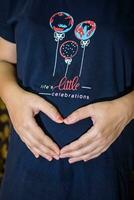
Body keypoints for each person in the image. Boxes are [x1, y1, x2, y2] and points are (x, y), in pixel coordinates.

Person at [0, 0, 134, 199]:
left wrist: (126, 108)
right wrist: (12, 97)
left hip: (106, 172)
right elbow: (4, 60)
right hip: (26, 169)